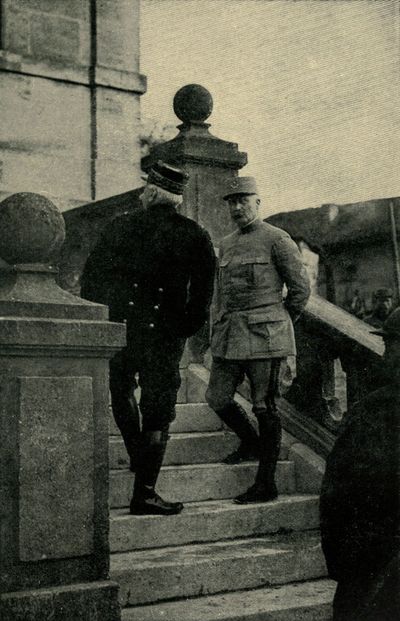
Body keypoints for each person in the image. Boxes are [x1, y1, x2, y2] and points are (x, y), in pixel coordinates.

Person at [81, 161, 216, 515]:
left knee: (121, 390)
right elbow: (203, 296)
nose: (142, 195)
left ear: (153, 193)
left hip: (122, 330)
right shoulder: (195, 234)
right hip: (164, 337)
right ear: (176, 198)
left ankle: (138, 460)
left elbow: (91, 280)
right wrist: (182, 328)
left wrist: (108, 319)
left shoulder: (119, 226)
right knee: (158, 409)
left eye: (145, 190)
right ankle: (145, 491)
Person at [205, 176, 310, 504]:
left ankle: (266, 483)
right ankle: (250, 442)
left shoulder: (277, 239)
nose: (237, 207)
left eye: (243, 200)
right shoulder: (226, 243)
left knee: (265, 406)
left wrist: (279, 322)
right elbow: (220, 294)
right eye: (231, 202)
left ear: (258, 202)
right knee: (217, 397)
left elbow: (300, 290)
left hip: (266, 336)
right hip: (230, 335)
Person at [320, 308, 400, 621]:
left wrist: (343, 563)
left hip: (374, 566)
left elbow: (337, 493)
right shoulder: (374, 407)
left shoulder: (374, 409)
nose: (385, 355)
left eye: (391, 346)